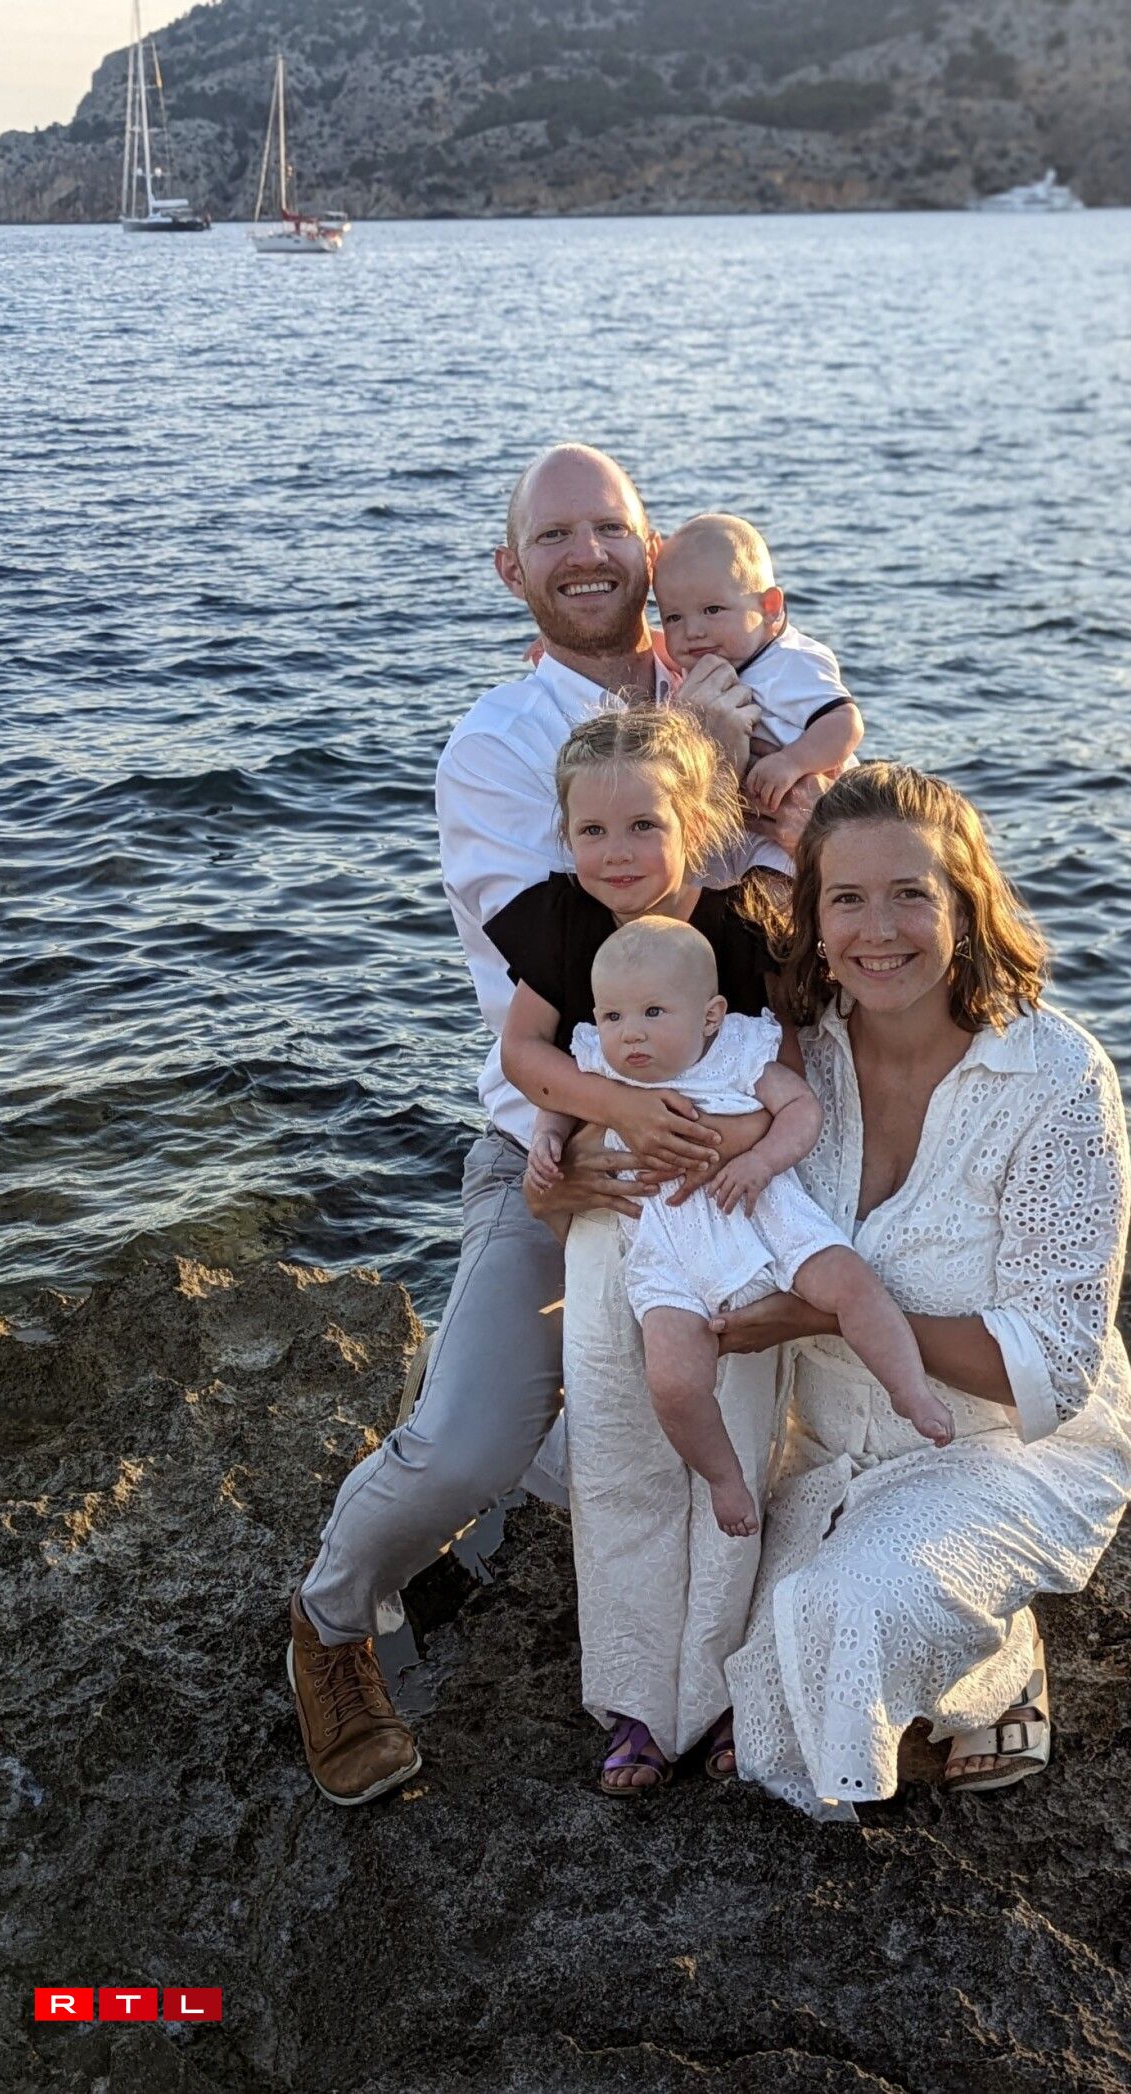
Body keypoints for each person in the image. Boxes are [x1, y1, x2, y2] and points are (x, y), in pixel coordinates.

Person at [286, 444, 811, 1807]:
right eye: (553, 534)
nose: (586, 553)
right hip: (566, 1140)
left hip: (743, 1130)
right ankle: (333, 1619)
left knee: (798, 1418)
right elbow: (573, 982)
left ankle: (753, 1643)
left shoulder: (737, 677)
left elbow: (813, 895)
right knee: (468, 1439)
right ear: (509, 567)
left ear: (652, 549)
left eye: (609, 528)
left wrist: (769, 770)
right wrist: (613, 1128)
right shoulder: (499, 746)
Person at [698, 762, 1131, 1819]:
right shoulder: (789, 1063)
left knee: (841, 1616)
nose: (880, 930)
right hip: (824, 1450)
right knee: (729, 1662)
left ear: (965, 903)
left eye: (911, 894)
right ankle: (940, 1625)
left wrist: (833, 1313)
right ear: (813, 920)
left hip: (1002, 1447)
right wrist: (564, 1172)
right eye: (847, 899)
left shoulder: (1054, 1078)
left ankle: (1000, 1670)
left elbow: (1056, 1366)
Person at [549, 918, 955, 1530]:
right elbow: (554, 1100)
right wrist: (546, 1141)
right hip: (671, 1245)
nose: (630, 1032)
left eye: (653, 1012)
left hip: (765, 1216)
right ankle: (723, 1476)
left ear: (711, 1015)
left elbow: (802, 1108)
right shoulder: (602, 1068)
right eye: (612, 1016)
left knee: (851, 1285)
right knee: (673, 1380)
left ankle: (909, 1389)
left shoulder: (739, 1052)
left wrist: (762, 1161)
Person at [654, 513, 863, 816]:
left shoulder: (790, 662)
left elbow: (846, 722)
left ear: (769, 607)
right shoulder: (709, 658)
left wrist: (793, 761)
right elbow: (653, 649)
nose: (692, 631)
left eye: (713, 610)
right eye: (673, 617)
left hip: (815, 810)